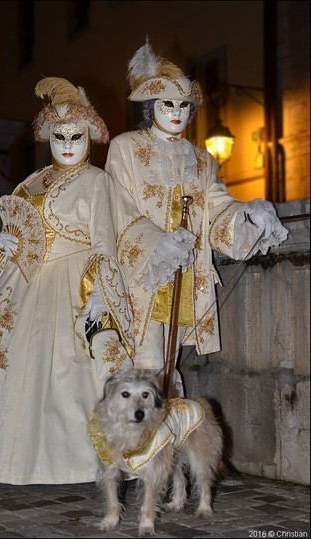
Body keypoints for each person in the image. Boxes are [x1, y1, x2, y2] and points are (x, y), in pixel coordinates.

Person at [0, 77, 135, 485]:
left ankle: (77, 458)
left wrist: (102, 295)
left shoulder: (97, 181)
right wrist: (4, 244)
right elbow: (19, 227)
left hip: (70, 282)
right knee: (0, 369)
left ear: (90, 136)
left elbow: (105, 243)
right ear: (47, 137)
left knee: (62, 372)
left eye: (76, 136)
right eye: (59, 136)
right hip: (20, 282)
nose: (68, 144)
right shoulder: (30, 181)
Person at [105, 38, 289, 396]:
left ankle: (166, 437)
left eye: (184, 106)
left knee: (168, 361)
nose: (176, 112)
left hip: (184, 274)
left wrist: (246, 214)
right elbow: (118, 206)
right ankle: (141, 442)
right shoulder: (125, 148)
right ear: (151, 106)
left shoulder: (201, 159)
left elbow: (217, 206)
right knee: (144, 361)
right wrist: (158, 244)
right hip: (143, 271)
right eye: (167, 103)